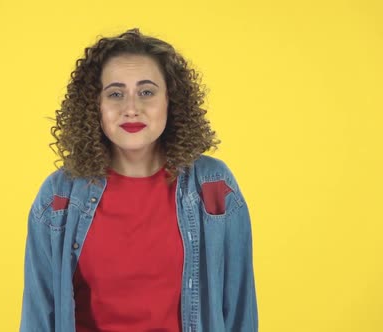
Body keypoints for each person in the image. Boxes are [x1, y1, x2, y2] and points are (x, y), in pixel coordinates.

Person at [20, 28, 258, 332]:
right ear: (96, 106)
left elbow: (239, 310)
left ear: (170, 100)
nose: (131, 108)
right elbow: (38, 315)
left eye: (146, 92)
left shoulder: (213, 186)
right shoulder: (58, 196)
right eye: (115, 94)